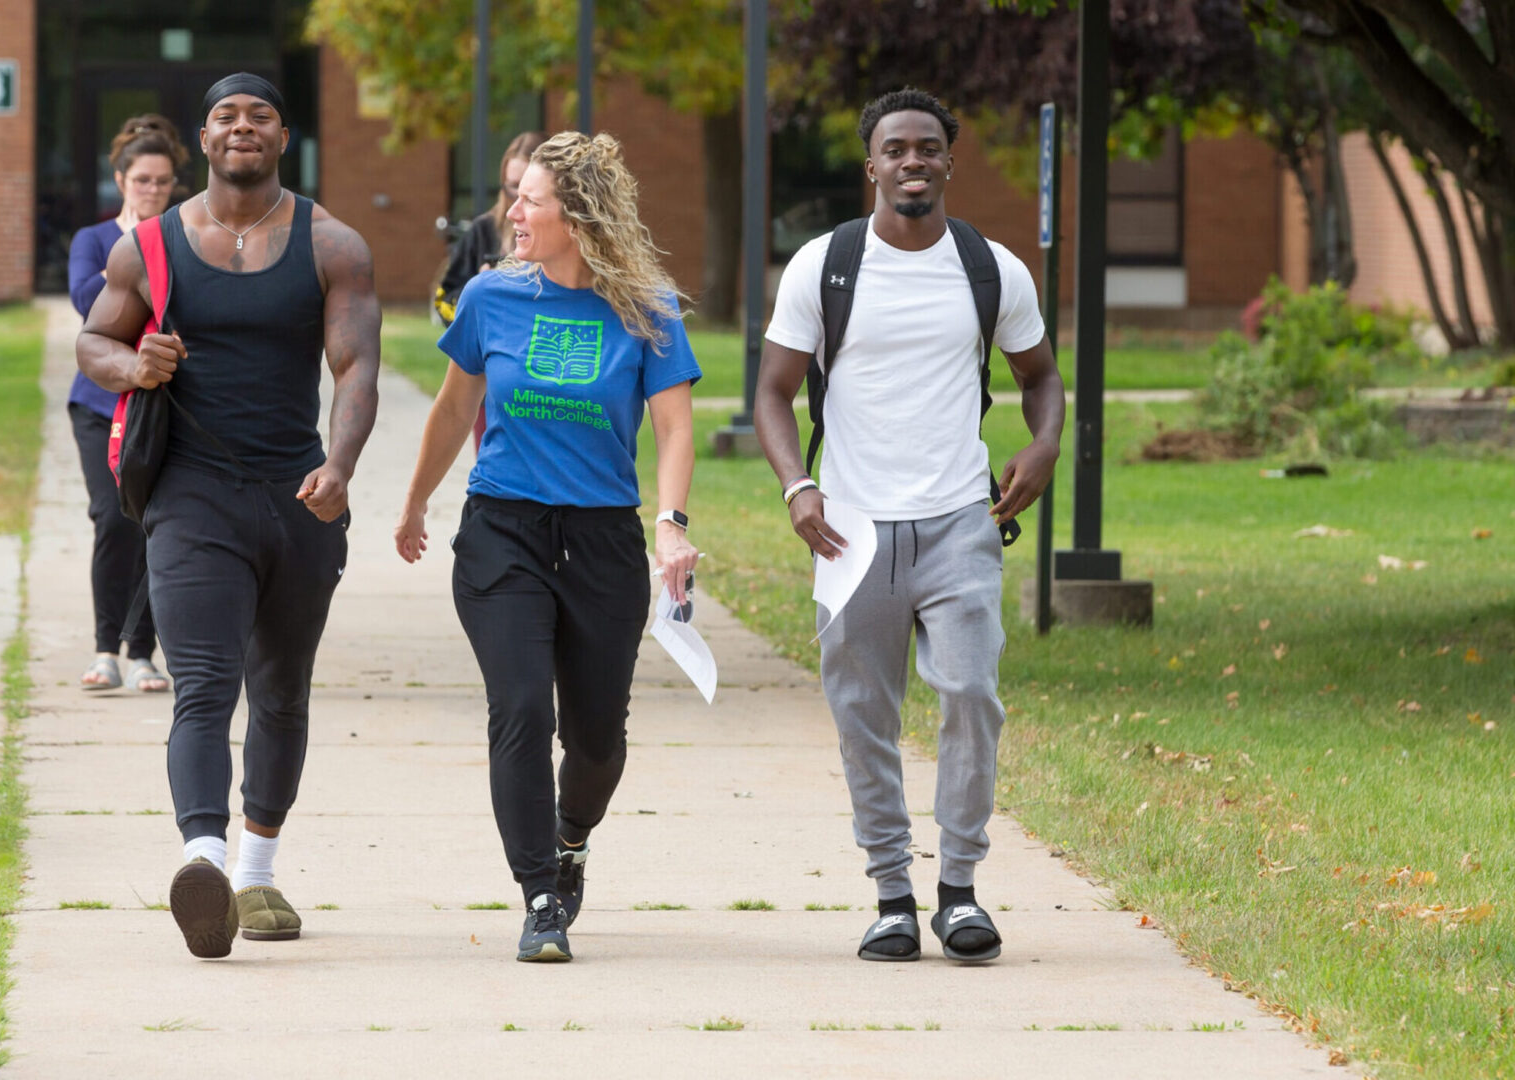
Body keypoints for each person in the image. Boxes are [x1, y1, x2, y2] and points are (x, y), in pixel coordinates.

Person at [753, 89, 1065, 964]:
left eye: (928, 148)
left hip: (961, 519)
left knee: (971, 696)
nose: (913, 162)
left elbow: (1041, 376)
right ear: (873, 165)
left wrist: (1044, 445)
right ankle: (892, 894)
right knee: (864, 716)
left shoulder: (990, 268)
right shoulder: (825, 265)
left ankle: (959, 891)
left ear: (947, 162)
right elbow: (772, 393)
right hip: (850, 527)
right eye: (896, 149)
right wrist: (797, 487)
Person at [76, 73, 381, 960]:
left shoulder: (333, 243)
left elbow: (356, 367)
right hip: (191, 495)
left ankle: (256, 872)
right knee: (205, 685)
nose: (240, 128)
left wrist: (340, 465)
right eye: (224, 117)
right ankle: (203, 861)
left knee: (281, 691)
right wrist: (136, 367)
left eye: (258, 117)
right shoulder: (153, 248)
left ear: (284, 136)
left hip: (297, 497)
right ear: (200, 142)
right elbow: (95, 340)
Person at [393, 131, 701, 963]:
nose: (512, 211)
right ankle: (539, 894)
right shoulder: (492, 296)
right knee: (521, 709)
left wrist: (671, 523)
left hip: (602, 540)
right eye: (514, 196)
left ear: (580, 214)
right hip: (503, 532)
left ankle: (571, 839)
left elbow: (674, 428)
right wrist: (417, 500)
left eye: (530, 199)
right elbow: (455, 411)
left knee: (597, 739)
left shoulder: (646, 308)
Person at [67, 114, 190, 694]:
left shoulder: (181, 238)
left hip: (159, 405)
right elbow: (88, 299)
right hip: (98, 404)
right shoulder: (94, 241)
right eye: (143, 180)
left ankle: (142, 652)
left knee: (150, 523)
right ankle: (103, 649)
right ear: (120, 179)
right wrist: (136, 258)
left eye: (163, 182)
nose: (153, 191)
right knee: (111, 519)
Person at [436, 131, 546, 449]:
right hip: (489, 378)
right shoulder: (484, 230)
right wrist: (477, 295)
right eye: (511, 186)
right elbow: (444, 297)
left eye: (527, 188)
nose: (516, 198)